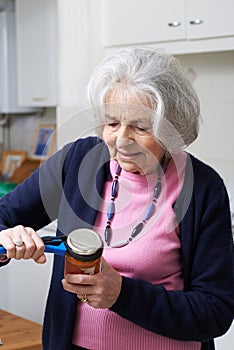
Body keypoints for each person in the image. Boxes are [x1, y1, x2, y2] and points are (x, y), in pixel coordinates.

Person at [0, 47, 233, 350]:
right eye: (112, 123)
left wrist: (121, 294)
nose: (121, 139)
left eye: (139, 127)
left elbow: (215, 312)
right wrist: (7, 241)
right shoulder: (78, 161)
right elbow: (4, 217)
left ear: (170, 129)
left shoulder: (203, 188)